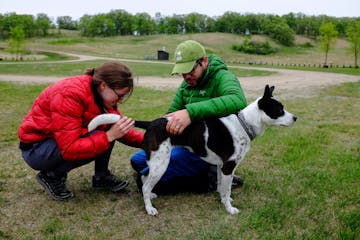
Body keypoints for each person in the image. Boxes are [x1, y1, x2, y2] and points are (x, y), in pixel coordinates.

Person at [130, 40, 247, 194]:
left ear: (204, 61)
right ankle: (202, 176)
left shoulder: (223, 77)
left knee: (145, 176)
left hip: (211, 146)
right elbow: (172, 113)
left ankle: (210, 178)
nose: (186, 77)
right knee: (137, 160)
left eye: (190, 70)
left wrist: (190, 113)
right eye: (182, 72)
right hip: (186, 142)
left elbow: (238, 100)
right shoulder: (186, 86)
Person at [18, 61, 144, 200]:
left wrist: (151, 141)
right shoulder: (69, 94)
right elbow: (69, 148)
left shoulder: (100, 95)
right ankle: (51, 176)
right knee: (104, 136)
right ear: (103, 85)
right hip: (36, 148)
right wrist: (108, 136)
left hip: (56, 141)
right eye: (119, 96)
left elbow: (120, 127)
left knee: (109, 130)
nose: (120, 101)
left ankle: (101, 177)